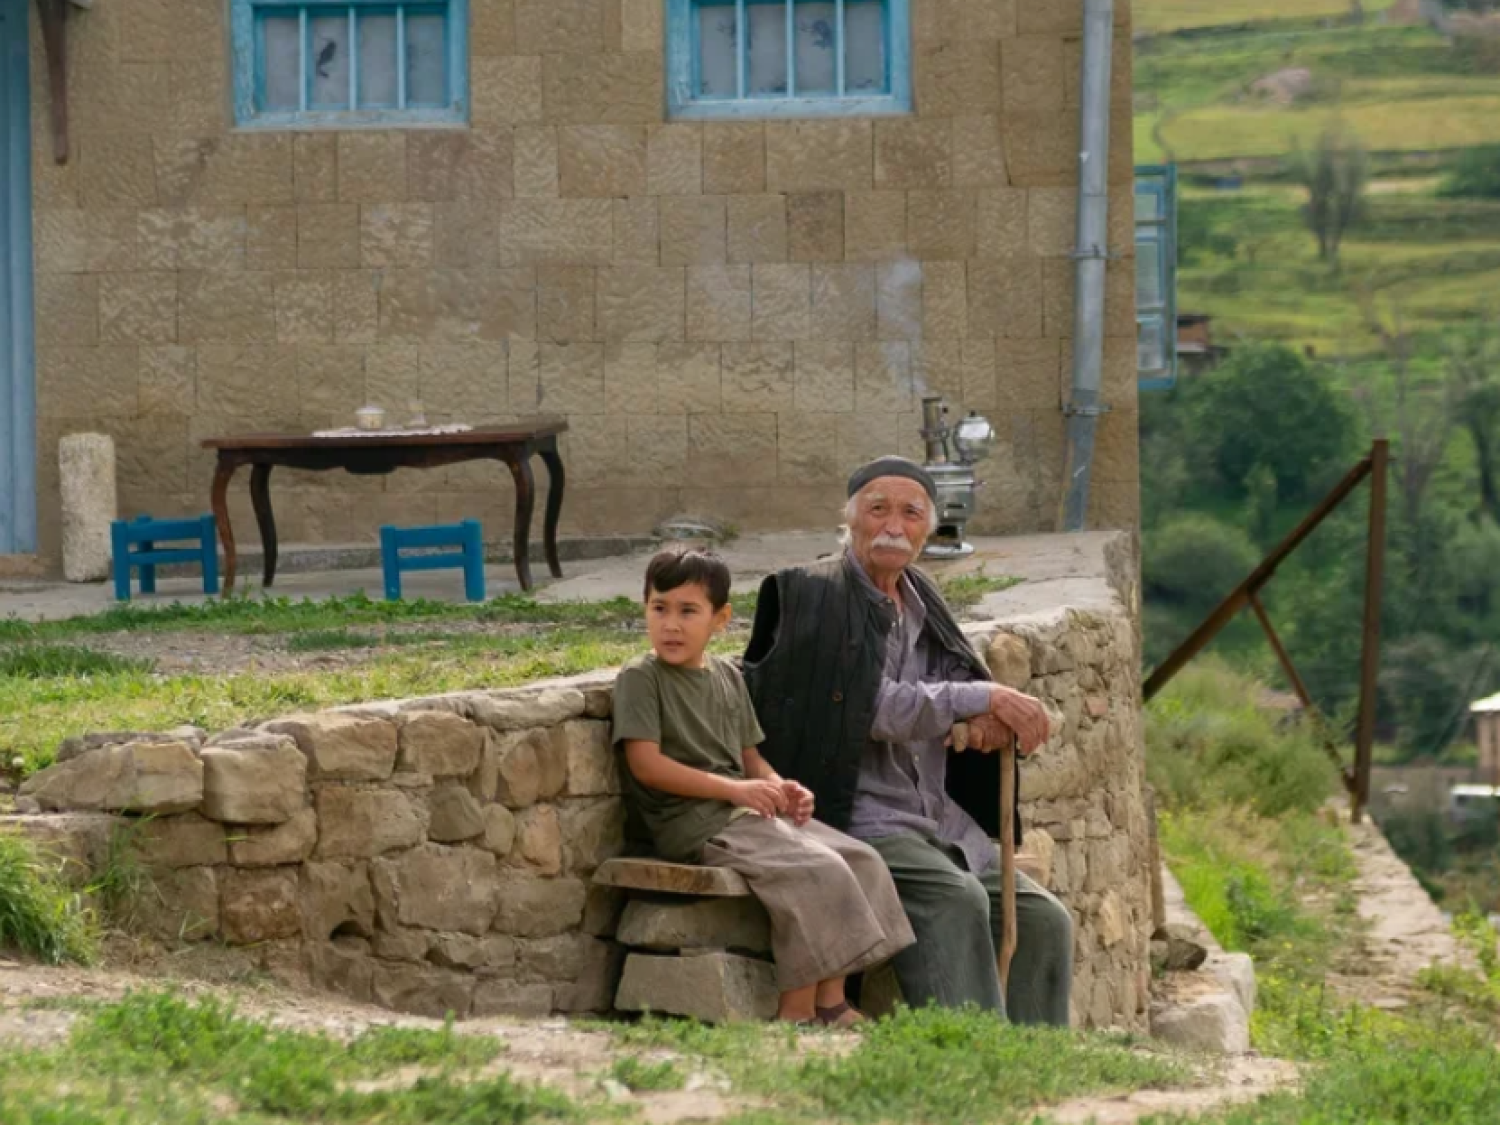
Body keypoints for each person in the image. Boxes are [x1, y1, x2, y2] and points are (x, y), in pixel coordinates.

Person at [743, 456, 1075, 1025]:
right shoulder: (818, 596)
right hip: (859, 817)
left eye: (910, 513)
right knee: (955, 899)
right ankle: (969, 1052)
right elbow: (870, 706)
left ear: (929, 528)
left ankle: (1034, 1063)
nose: (893, 526)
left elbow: (951, 679)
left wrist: (981, 716)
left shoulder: (921, 597)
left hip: (934, 816)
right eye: (878, 510)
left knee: (1044, 919)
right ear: (850, 518)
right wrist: (981, 697)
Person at [612, 547, 916, 1027]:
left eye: (688, 611)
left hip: (741, 814)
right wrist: (734, 791)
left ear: (720, 619)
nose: (671, 625)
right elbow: (646, 766)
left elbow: (751, 759)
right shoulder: (641, 678)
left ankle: (831, 1001)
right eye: (659, 608)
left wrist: (780, 787)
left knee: (862, 860)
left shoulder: (727, 677)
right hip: (693, 823)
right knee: (816, 868)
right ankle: (796, 1011)